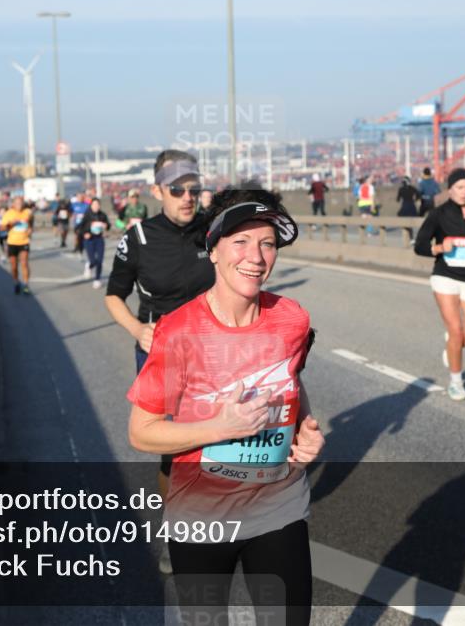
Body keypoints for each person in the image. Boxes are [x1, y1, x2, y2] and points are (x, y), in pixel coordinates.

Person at [127, 187, 324, 625]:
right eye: (240, 241)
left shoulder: (292, 318)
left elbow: (292, 381)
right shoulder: (178, 331)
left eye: (268, 243)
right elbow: (141, 431)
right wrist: (220, 427)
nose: (256, 256)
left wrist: (306, 428)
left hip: (279, 505)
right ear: (212, 249)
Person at [105, 149, 215, 573]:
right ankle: (175, 532)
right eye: (177, 189)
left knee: (220, 438)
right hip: (161, 353)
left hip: (213, 351)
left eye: (194, 188)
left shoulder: (215, 231)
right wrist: (138, 330)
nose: (187, 197)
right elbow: (114, 294)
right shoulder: (138, 238)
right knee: (174, 449)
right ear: (157, 191)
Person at [414, 168, 465, 401]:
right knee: (456, 330)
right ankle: (456, 382)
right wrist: (440, 248)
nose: (464, 192)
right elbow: (420, 244)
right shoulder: (438, 214)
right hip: (445, 277)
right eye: (459, 187)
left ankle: (452, 345)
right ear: (450, 189)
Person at [1, 196, 33, 295]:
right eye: (17, 203)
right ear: (13, 204)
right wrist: (11, 223)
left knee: (24, 263)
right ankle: (16, 282)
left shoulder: (27, 212)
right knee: (14, 266)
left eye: (21, 203)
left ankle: (26, 285)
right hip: (12, 242)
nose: (19, 205)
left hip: (24, 241)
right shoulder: (9, 213)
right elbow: (2, 228)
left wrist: (31, 228)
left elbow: (31, 220)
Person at [79, 198, 110, 289]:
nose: (96, 206)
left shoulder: (102, 215)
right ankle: (89, 265)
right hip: (89, 240)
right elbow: (80, 228)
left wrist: (106, 226)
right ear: (91, 205)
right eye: (94, 205)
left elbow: (108, 225)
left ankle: (97, 279)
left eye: (97, 205)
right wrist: (85, 233)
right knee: (93, 260)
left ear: (99, 206)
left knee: (100, 260)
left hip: (99, 239)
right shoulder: (87, 215)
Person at [70, 192, 90, 257]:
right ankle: (76, 246)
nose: (80, 198)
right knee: (76, 235)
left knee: (84, 235)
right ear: (77, 198)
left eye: (81, 197)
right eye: (79, 197)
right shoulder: (74, 205)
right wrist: (73, 216)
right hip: (77, 223)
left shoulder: (86, 205)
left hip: (84, 223)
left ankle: (83, 247)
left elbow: (89, 213)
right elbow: (70, 212)